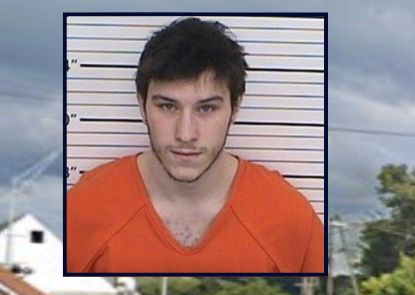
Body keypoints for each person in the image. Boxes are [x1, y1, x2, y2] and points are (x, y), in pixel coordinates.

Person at [66, 17, 324, 274]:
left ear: (235, 108)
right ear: (142, 104)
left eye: (207, 108)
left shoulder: (290, 219)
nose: (186, 133)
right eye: (167, 106)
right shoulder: (84, 209)